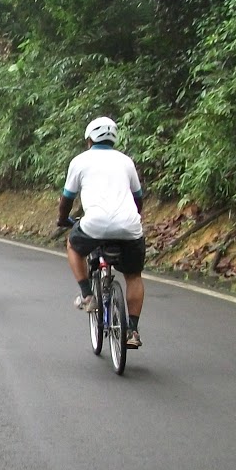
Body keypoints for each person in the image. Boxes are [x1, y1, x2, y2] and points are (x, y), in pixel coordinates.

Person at [56, 116, 145, 348]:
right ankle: (132, 331)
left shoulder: (80, 161)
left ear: (89, 139)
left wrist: (62, 219)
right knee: (134, 276)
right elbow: (138, 198)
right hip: (129, 225)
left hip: (94, 223)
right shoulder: (126, 161)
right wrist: (134, 219)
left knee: (73, 246)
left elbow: (67, 199)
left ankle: (87, 295)